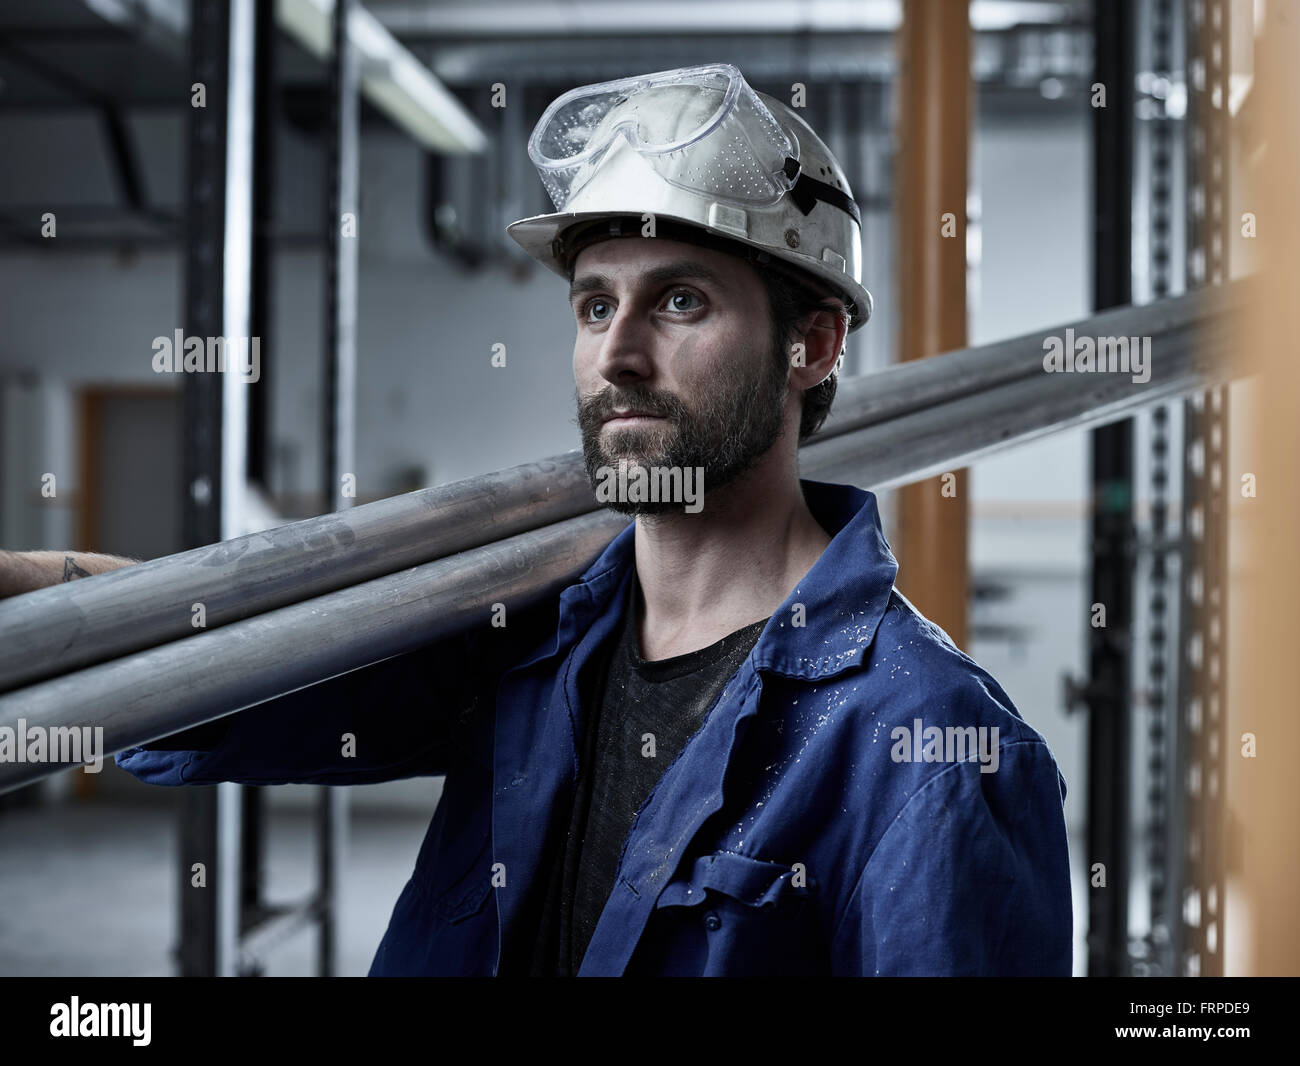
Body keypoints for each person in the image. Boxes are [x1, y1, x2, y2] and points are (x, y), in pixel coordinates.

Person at [5, 64, 1073, 975]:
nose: (616, 354)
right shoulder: (530, 638)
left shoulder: (929, 752)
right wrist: (37, 589)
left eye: (680, 300)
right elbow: (217, 683)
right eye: (595, 304)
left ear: (814, 345)